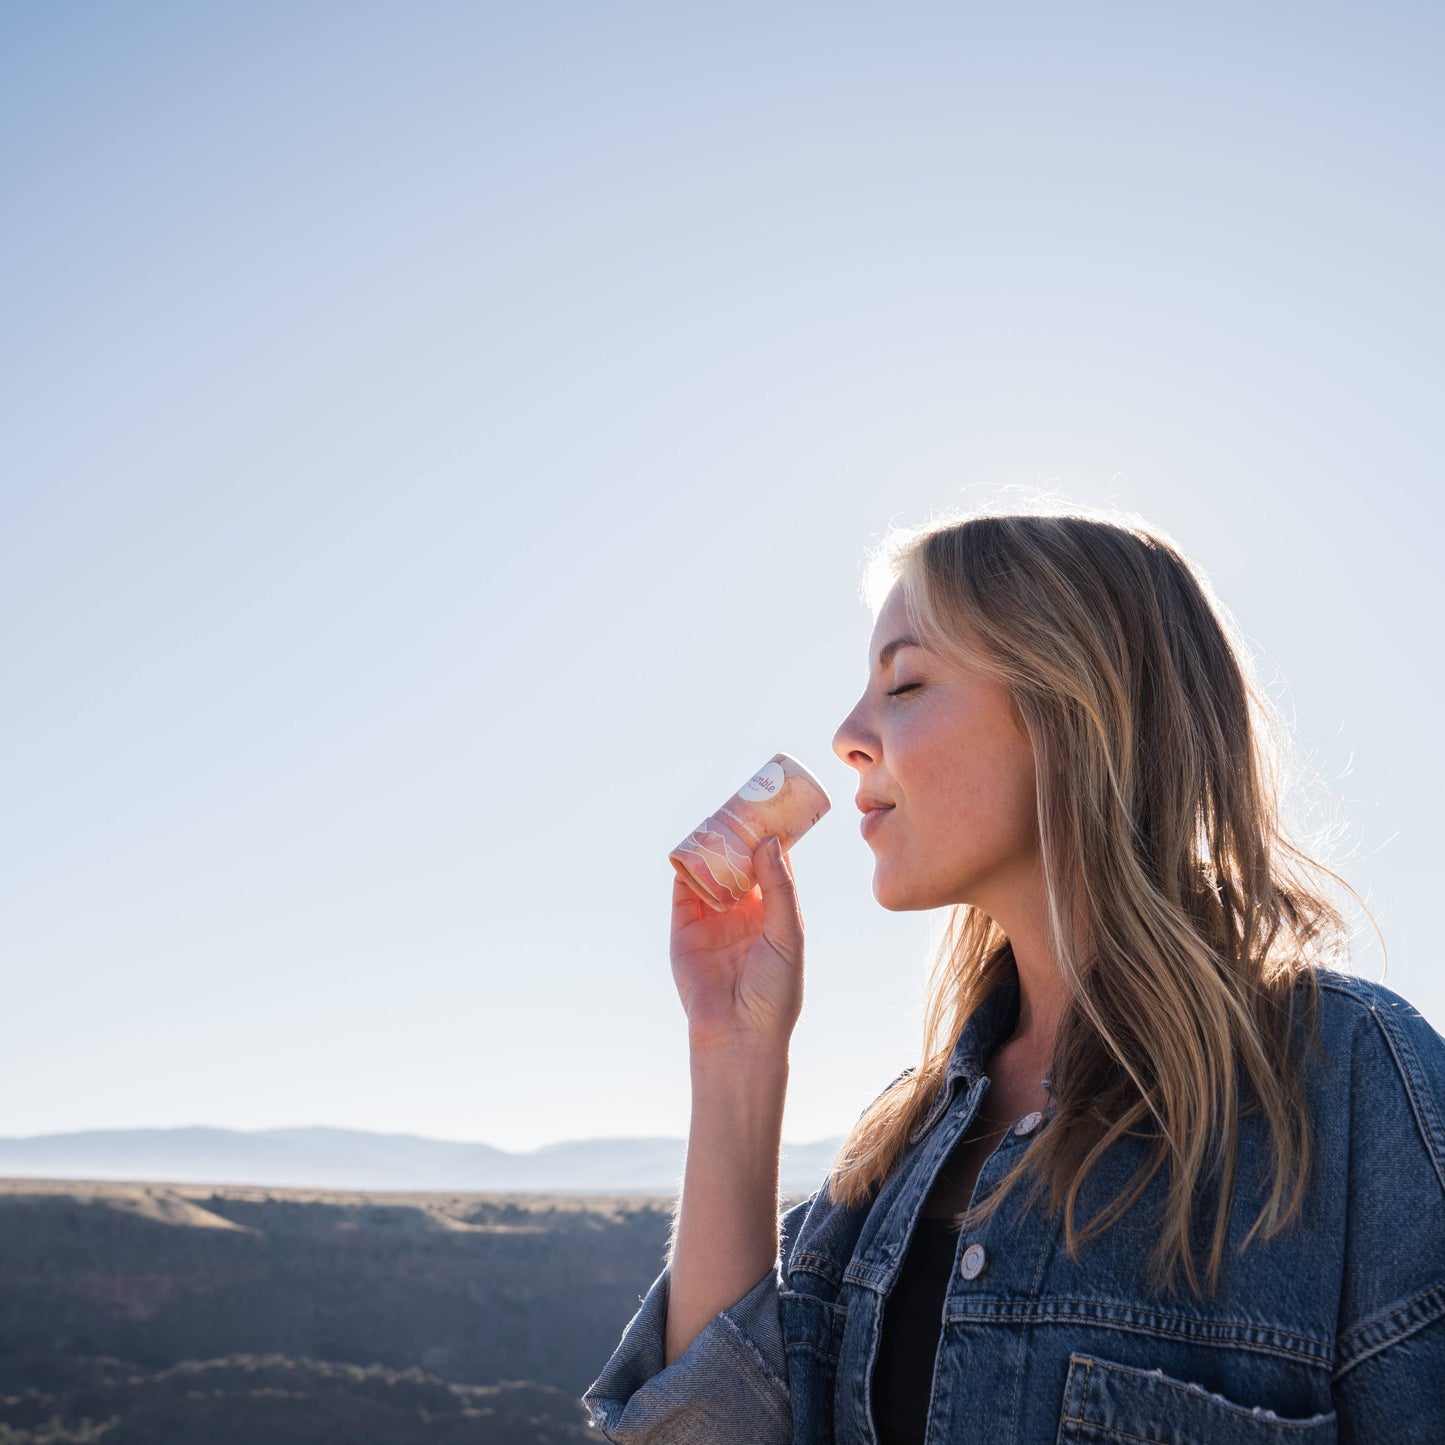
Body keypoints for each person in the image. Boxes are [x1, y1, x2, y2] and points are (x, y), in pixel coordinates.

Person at [581, 507, 1445, 1443]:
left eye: (904, 682)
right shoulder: (896, 1153)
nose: (845, 734)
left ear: (1071, 710)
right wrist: (733, 1047)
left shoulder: (1350, 1083)